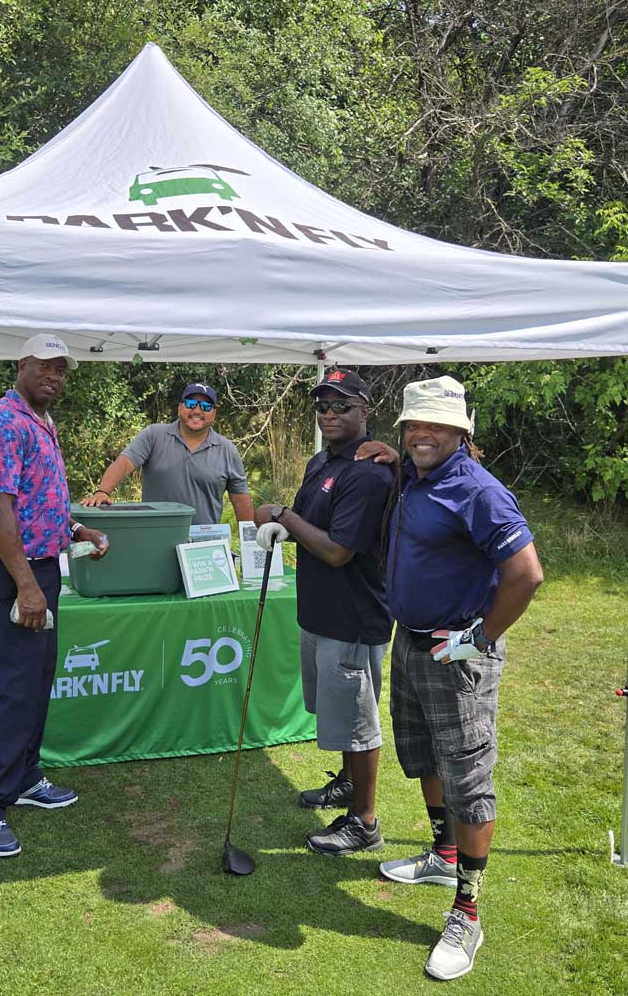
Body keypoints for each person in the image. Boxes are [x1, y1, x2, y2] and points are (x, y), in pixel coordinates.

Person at [372, 375, 543, 980]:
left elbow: (526, 573)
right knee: (423, 756)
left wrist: (479, 638)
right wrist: (391, 454)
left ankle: (467, 911)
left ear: (461, 432)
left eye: (435, 425)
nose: (421, 433)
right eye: (413, 424)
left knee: (469, 780)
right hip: (414, 642)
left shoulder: (479, 490)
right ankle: (444, 853)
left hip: (459, 653)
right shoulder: (418, 476)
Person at [0, 334, 109, 858]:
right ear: (21, 365)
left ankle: (24, 777)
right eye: (44, 366)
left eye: (61, 370)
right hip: (11, 571)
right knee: (15, 684)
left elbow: (38, 501)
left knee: (38, 675)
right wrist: (25, 586)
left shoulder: (40, 422)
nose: (54, 376)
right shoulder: (2, 420)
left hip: (39, 567)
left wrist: (79, 531)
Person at [255, 369, 394, 856]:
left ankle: (365, 821)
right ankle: (347, 784)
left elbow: (337, 551)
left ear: (365, 411)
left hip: (352, 618)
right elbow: (304, 524)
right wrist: (281, 522)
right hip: (318, 610)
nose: (330, 414)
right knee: (334, 714)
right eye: (323, 407)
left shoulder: (370, 473)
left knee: (358, 721)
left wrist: (282, 517)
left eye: (342, 406)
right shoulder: (322, 462)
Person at [81, 382, 255, 524]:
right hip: (157, 538)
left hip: (204, 550)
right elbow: (124, 463)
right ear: (180, 408)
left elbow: (240, 501)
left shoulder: (227, 450)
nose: (197, 410)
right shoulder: (154, 435)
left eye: (206, 406)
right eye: (190, 404)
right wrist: (102, 492)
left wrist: (250, 545)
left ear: (214, 414)